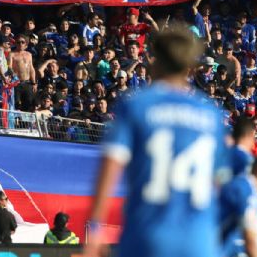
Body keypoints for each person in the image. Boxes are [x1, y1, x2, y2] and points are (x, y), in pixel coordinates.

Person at [85, 26, 227, 257]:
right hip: (200, 241)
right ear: (189, 66)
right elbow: (221, 181)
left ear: (155, 61)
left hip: (148, 236)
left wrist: (95, 227)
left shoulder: (137, 105)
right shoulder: (210, 113)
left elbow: (110, 166)